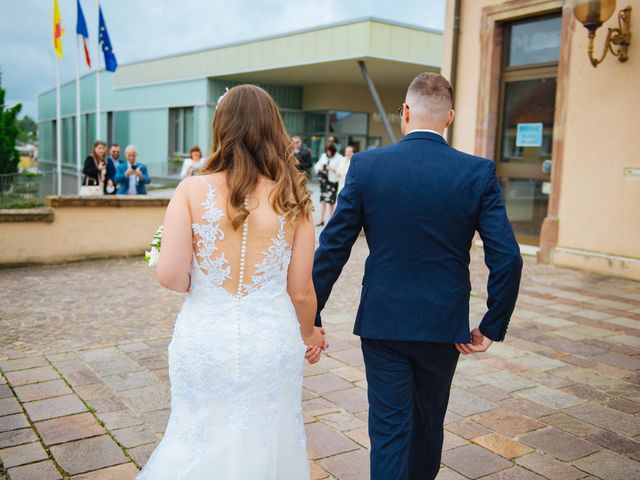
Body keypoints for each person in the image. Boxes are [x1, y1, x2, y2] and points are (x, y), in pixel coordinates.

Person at [312, 73, 523, 480]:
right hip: (445, 325)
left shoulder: (367, 166)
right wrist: (493, 323)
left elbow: (334, 245)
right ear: (450, 118)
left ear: (405, 113)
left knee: (389, 432)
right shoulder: (477, 172)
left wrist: (313, 312)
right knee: (428, 427)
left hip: (383, 320)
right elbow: (508, 258)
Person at [136, 85, 327, 480]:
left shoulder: (190, 190)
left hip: (204, 336)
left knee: (195, 436)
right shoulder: (294, 197)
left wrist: (205, 282)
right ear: (274, 128)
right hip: (271, 340)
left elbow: (169, 275)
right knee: (269, 439)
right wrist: (310, 333)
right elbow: (301, 290)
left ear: (221, 127)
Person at [313, 143, 342, 226]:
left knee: (331, 202)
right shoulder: (323, 156)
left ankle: (330, 221)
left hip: (332, 182)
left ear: (333, 151)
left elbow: (340, 170)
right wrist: (320, 169)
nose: (328, 153)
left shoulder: (339, 157)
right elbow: (317, 165)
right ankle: (321, 220)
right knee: (323, 201)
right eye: (327, 151)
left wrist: (331, 168)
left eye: (330, 151)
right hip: (324, 181)